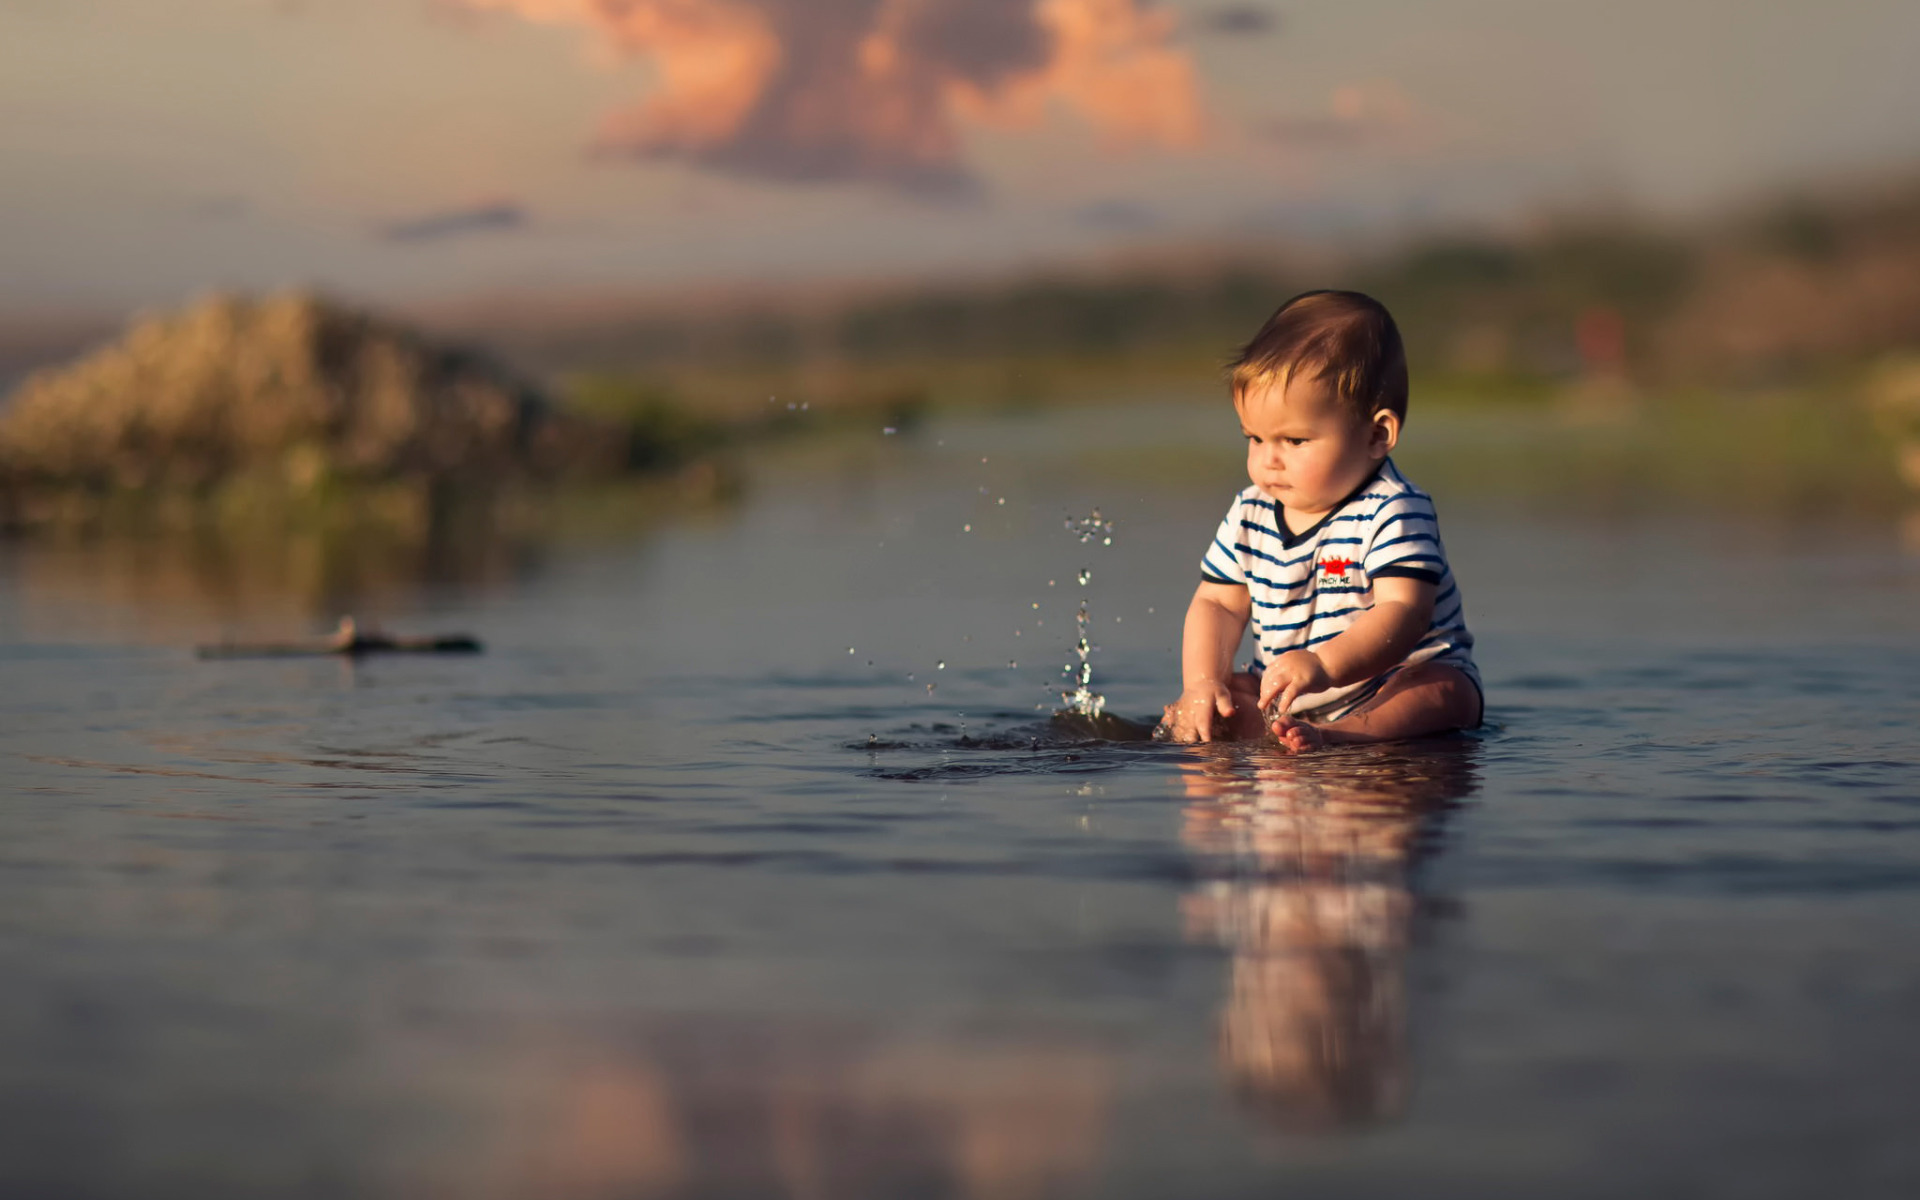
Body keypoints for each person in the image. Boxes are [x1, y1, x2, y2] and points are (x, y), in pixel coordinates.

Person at [1157, 290, 1482, 750]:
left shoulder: (1393, 509)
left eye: (1294, 441)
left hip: (1388, 679)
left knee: (1445, 690)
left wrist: (1324, 664)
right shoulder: (1250, 512)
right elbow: (1219, 603)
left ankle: (1345, 734)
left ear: (1375, 434)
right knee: (1226, 698)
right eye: (1254, 437)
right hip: (1287, 687)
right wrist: (1202, 683)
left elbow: (1403, 612)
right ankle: (1256, 736)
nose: (1269, 460)